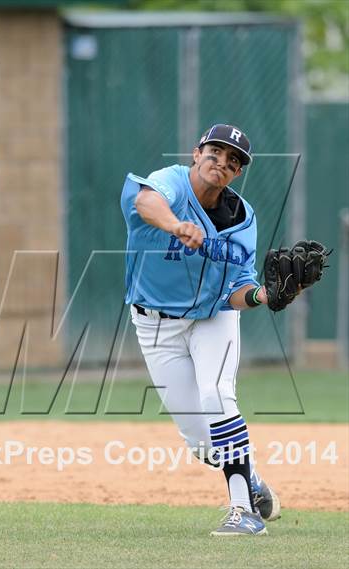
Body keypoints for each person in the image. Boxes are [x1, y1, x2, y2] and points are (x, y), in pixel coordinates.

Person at [120, 123, 280, 536]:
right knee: (202, 443)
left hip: (212, 317)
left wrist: (264, 296)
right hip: (154, 325)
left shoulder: (242, 219)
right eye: (215, 152)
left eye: (233, 161)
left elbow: (238, 288)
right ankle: (250, 476)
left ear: (237, 172)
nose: (221, 162)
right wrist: (176, 226)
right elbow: (145, 202)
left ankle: (243, 512)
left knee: (217, 394)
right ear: (196, 153)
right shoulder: (168, 183)